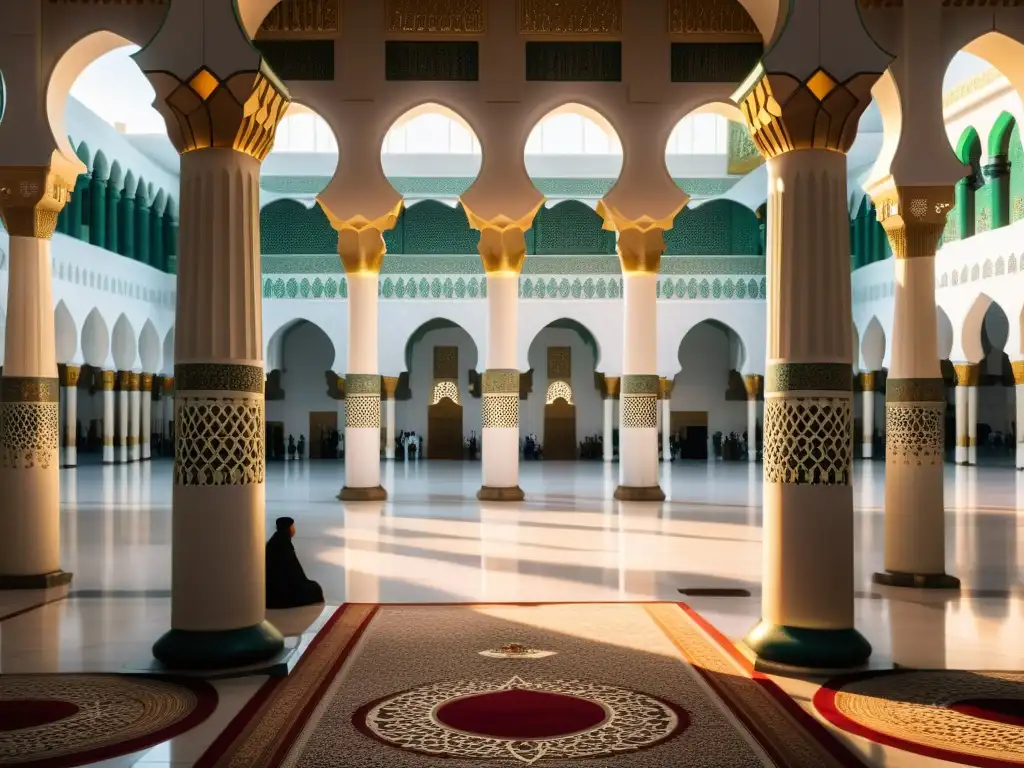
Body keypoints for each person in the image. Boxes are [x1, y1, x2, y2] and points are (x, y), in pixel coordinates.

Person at [265, 517, 324, 609]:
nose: (294, 529)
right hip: (283, 589)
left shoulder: (276, 540)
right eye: (293, 526)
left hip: (272, 588)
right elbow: (292, 570)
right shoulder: (284, 544)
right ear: (288, 528)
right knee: (315, 589)